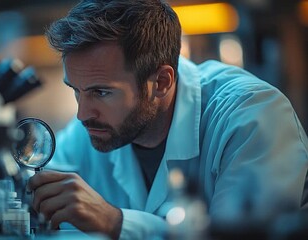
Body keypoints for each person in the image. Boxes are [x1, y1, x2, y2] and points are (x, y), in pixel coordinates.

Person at [27, 0, 308, 239]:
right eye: (76, 90)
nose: (82, 114)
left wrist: (116, 223)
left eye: (101, 92)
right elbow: (34, 187)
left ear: (161, 82)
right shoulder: (93, 129)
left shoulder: (250, 116)